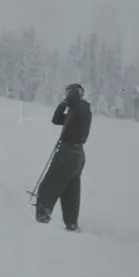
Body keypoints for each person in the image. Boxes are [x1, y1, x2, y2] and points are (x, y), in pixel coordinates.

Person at [35, 83, 92, 230]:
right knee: (70, 190)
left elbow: (73, 101)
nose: (66, 96)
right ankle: (71, 223)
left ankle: (42, 215)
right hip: (75, 155)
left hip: (68, 153)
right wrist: (63, 104)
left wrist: (69, 99)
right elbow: (56, 119)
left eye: (68, 93)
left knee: (49, 184)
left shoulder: (82, 108)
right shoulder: (76, 111)